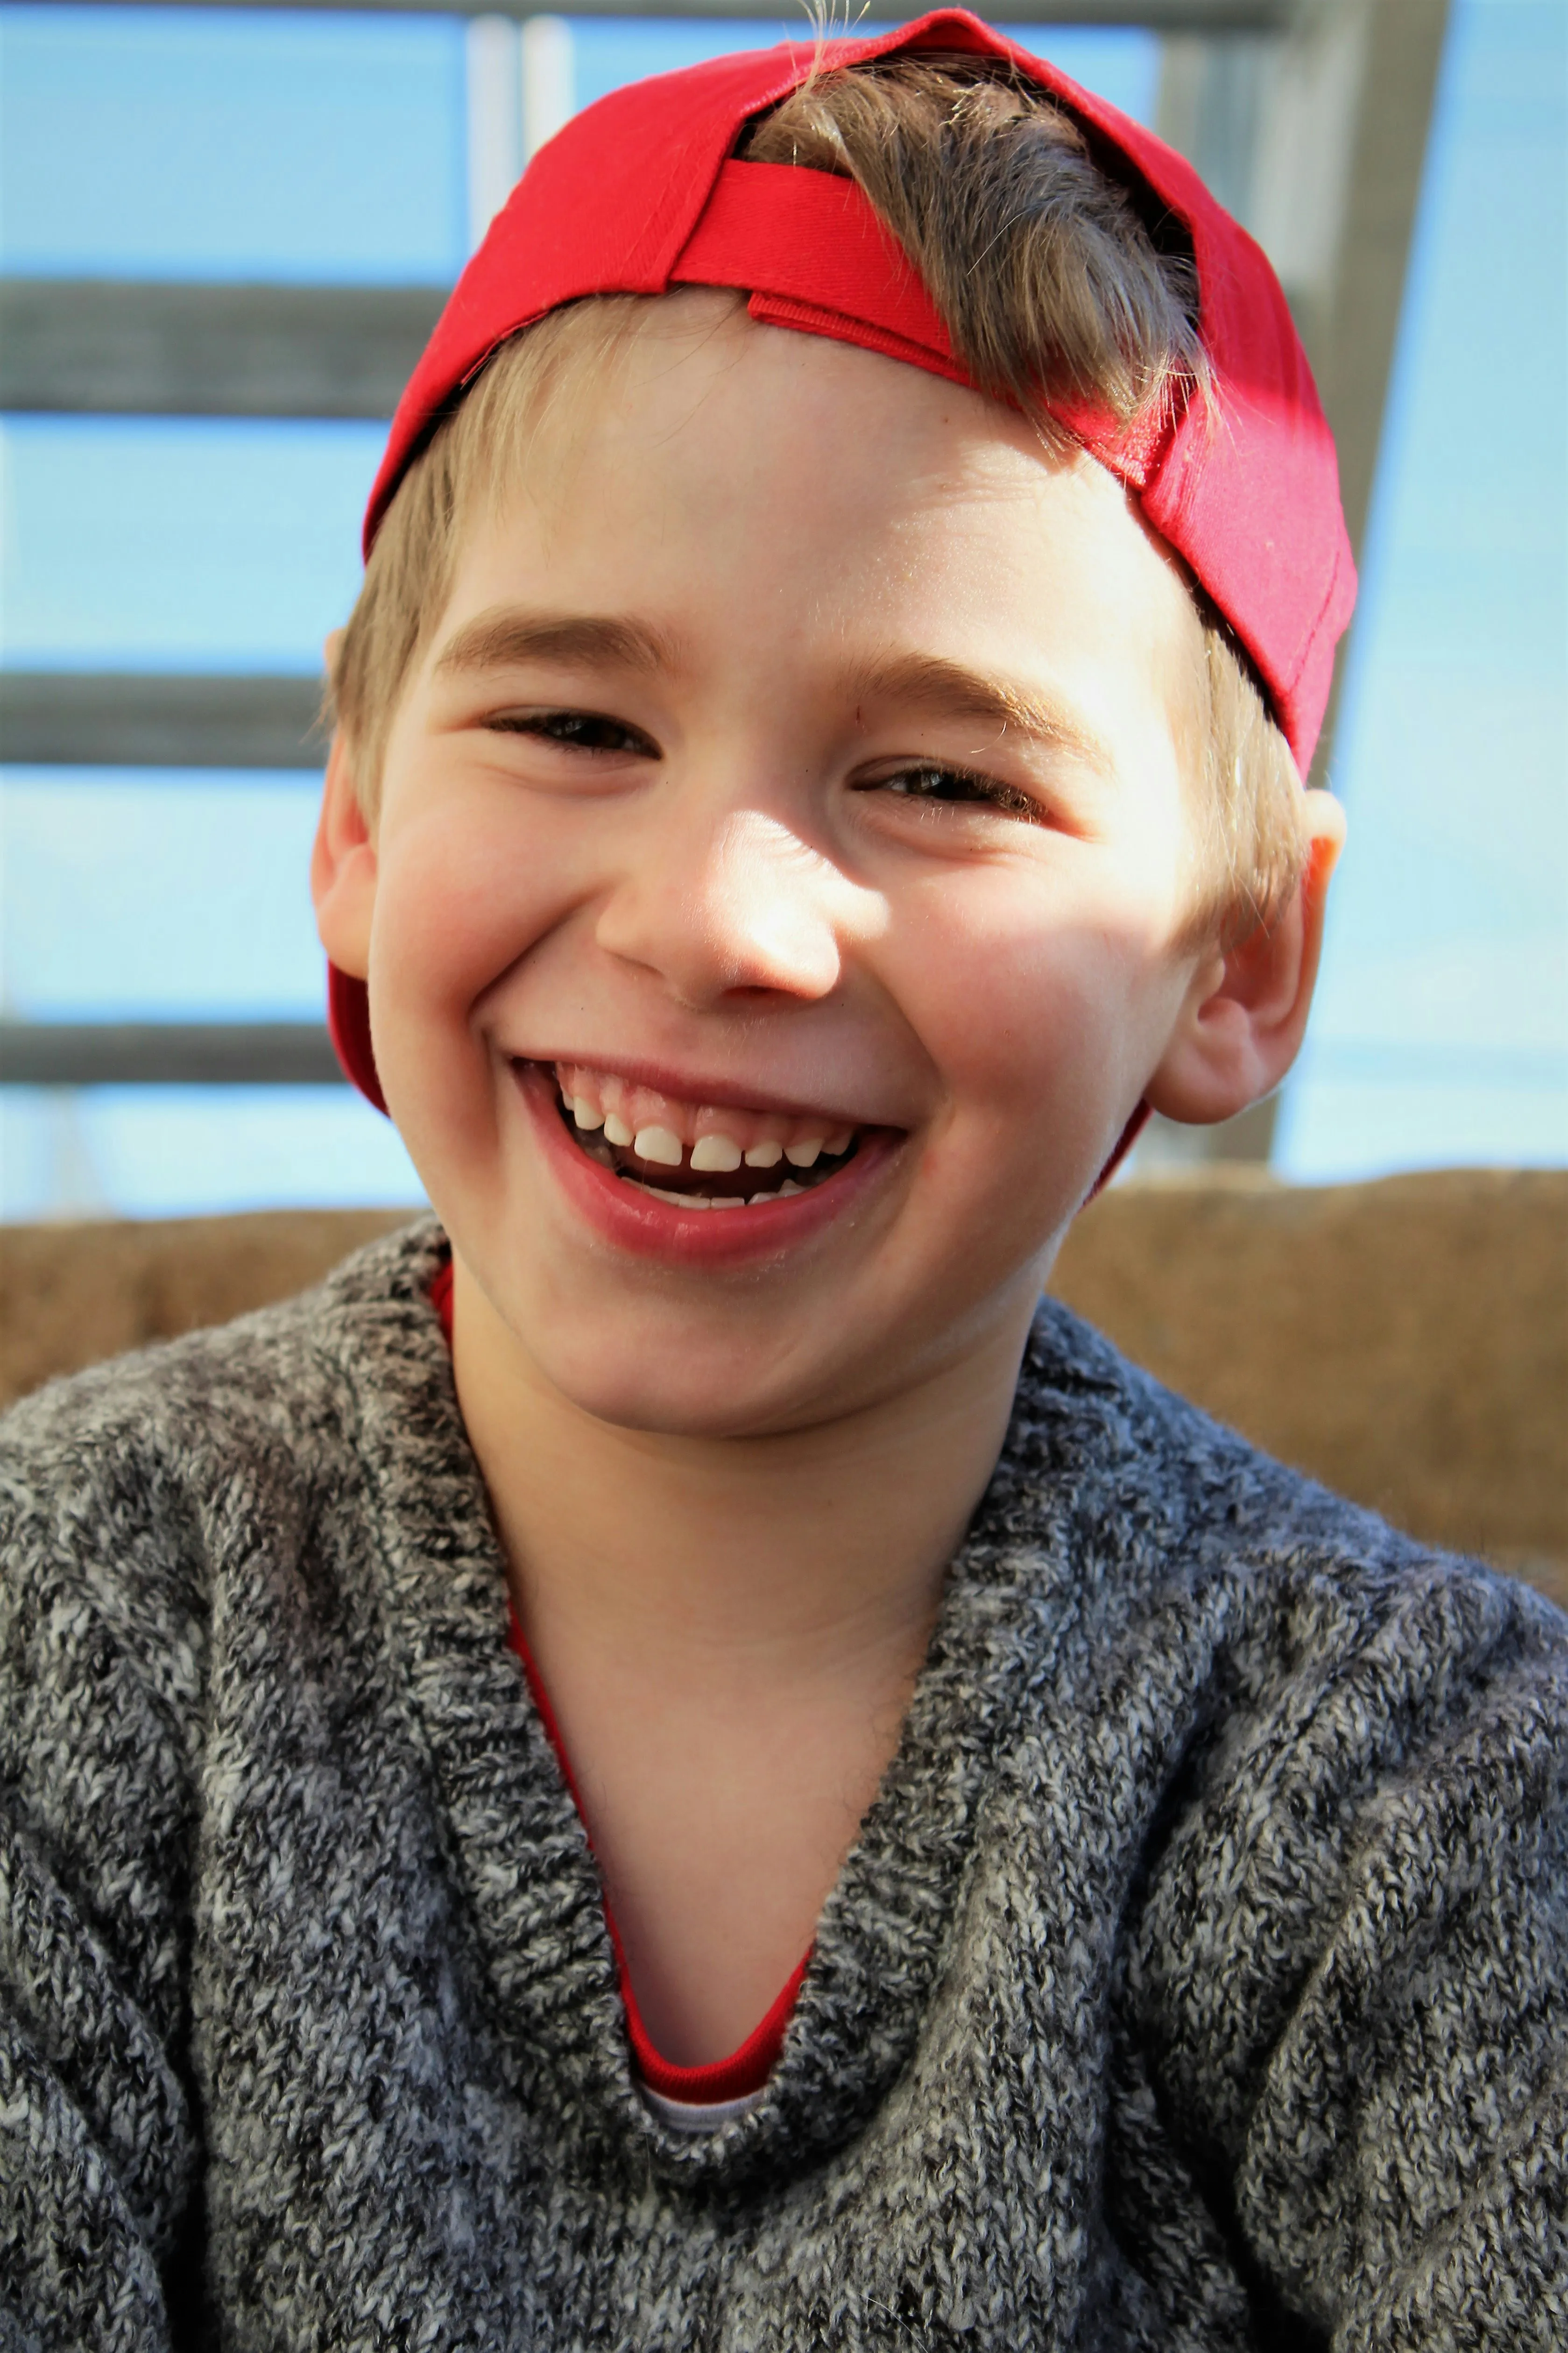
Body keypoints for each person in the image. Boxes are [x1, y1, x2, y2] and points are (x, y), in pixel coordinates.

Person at [3, 14, 1562, 2347]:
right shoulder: (59, 1637)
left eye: (940, 776)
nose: (717, 918)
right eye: (573, 723)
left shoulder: (1433, 1784)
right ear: (350, 821)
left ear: (1237, 960)